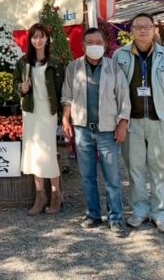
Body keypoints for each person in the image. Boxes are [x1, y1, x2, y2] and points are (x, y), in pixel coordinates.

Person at [62, 28, 130, 237]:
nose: (95, 46)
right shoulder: (74, 68)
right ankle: (93, 214)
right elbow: (67, 97)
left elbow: (123, 98)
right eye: (90, 42)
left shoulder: (114, 68)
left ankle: (116, 218)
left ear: (104, 45)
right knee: (87, 176)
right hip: (82, 129)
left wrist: (123, 124)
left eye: (98, 42)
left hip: (108, 130)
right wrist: (66, 118)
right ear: (83, 46)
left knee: (112, 177)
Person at [113, 13, 164, 233]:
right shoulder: (120, 55)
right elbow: (113, 90)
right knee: (135, 168)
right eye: (138, 27)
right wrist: (119, 120)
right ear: (131, 30)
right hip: (132, 120)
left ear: (154, 29)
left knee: (159, 168)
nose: (143, 30)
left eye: (147, 27)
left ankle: (160, 212)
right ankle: (140, 211)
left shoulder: (163, 55)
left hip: (158, 120)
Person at [16, 23, 65, 215]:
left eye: (41, 36)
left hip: (48, 111)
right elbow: (16, 83)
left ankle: (55, 194)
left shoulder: (54, 63)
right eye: (34, 37)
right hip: (30, 110)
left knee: (48, 151)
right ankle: (40, 196)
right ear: (30, 40)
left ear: (47, 39)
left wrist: (62, 115)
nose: (38, 40)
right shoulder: (23, 62)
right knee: (33, 151)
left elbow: (61, 90)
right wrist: (21, 88)